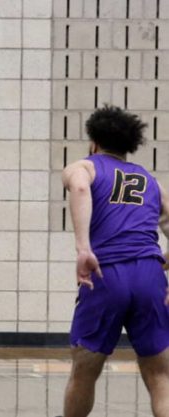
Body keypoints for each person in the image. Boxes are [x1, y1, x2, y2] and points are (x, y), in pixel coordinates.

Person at [59, 105, 169, 417]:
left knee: (84, 372)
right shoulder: (151, 181)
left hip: (106, 274)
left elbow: (80, 187)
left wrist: (83, 249)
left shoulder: (85, 167)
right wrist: (160, 262)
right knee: (160, 375)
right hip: (150, 276)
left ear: (93, 141)